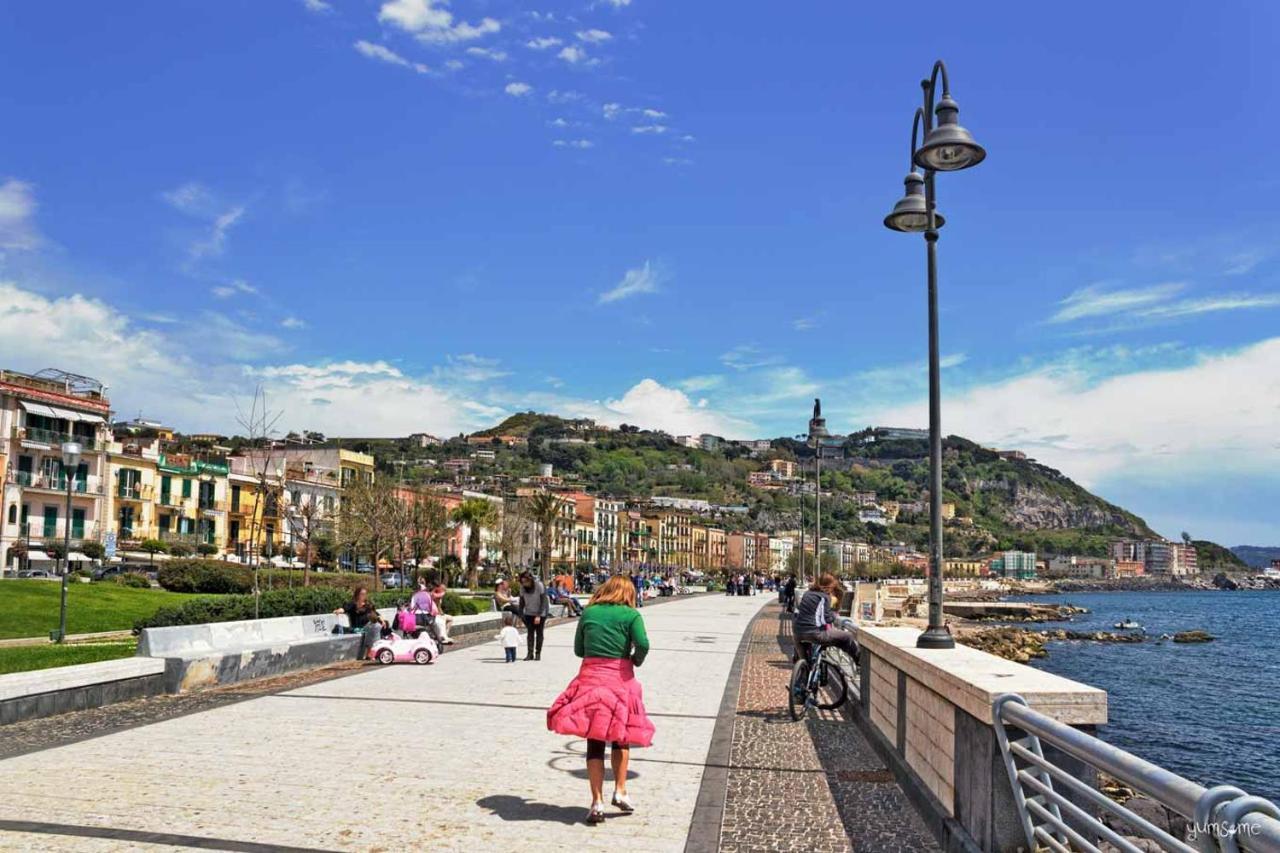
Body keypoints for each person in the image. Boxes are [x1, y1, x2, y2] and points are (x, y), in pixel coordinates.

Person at [546, 575, 654, 825]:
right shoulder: (631, 615)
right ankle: (621, 789)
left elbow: (578, 650)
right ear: (628, 593)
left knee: (594, 742)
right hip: (619, 681)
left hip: (591, 680)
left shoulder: (589, 613)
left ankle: (597, 802)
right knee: (621, 737)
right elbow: (644, 644)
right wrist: (634, 659)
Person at [793, 573, 859, 663]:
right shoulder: (824, 597)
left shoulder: (807, 593)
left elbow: (801, 610)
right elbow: (826, 619)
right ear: (829, 586)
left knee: (805, 663)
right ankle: (860, 663)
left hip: (797, 633)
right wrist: (834, 615)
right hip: (815, 634)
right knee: (847, 637)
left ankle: (803, 671)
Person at [517, 572, 549, 660]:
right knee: (530, 633)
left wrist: (539, 615)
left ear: (530, 580)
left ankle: (538, 653)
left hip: (541, 612)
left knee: (539, 633)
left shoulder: (539, 585)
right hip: (529, 613)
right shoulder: (522, 588)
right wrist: (520, 615)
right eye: (522, 582)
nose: (524, 584)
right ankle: (529, 654)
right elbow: (521, 602)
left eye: (525, 582)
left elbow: (544, 601)